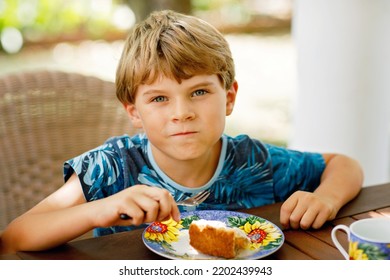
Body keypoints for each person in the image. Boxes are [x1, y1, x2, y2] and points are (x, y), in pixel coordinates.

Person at [0, 10, 363, 254]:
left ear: (229, 97)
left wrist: (325, 199)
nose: (182, 113)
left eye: (199, 92)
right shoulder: (111, 167)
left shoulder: (255, 162)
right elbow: (16, 235)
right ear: (134, 112)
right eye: (159, 98)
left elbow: (342, 165)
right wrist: (99, 209)